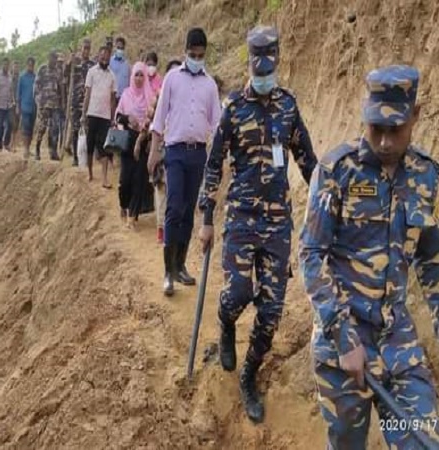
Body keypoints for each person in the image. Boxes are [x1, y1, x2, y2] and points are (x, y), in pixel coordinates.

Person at [300, 65, 439, 449]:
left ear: (415, 116)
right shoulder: (337, 172)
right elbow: (311, 254)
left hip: (397, 341)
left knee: (423, 442)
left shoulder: (424, 176)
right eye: (376, 128)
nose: (385, 142)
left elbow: (432, 264)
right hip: (343, 344)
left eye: (395, 129)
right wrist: (342, 336)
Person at [198, 26, 317, 423]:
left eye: (270, 68)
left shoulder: (288, 106)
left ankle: (248, 376)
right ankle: (225, 323)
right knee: (237, 292)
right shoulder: (233, 107)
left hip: (279, 222)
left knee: (271, 314)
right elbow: (213, 164)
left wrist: (325, 201)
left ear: (276, 63)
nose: (265, 75)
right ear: (250, 64)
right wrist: (206, 218)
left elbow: (307, 160)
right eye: (258, 68)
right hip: (242, 218)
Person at [148, 28, 221, 297]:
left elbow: (218, 125)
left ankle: (180, 265)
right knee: (174, 207)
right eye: (192, 55)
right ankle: (167, 272)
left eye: (201, 55)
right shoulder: (171, 79)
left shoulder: (210, 86)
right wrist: (154, 151)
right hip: (175, 151)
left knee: (189, 210)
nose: (196, 59)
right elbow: (158, 118)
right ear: (185, 51)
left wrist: (220, 156)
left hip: (198, 154)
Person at [116, 62, 155, 228]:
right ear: (132, 76)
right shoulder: (126, 94)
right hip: (128, 141)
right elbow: (117, 116)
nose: (139, 78)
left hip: (144, 139)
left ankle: (132, 215)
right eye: (136, 75)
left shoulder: (150, 96)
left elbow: (155, 119)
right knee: (126, 180)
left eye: (142, 75)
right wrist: (127, 119)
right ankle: (123, 205)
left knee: (139, 179)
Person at [150, 59, 182, 244]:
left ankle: (173, 228)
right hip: (162, 150)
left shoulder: (187, 99)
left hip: (179, 151)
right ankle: (161, 228)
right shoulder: (159, 97)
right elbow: (151, 123)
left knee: (175, 193)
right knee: (161, 190)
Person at [82, 45, 117, 186]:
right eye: (102, 56)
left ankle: (104, 178)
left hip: (105, 116)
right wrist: (83, 114)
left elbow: (113, 99)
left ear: (109, 59)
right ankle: (90, 172)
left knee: (104, 146)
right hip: (92, 113)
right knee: (90, 145)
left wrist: (113, 118)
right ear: (98, 56)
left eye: (107, 57)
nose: (104, 58)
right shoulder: (91, 72)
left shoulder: (112, 76)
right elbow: (87, 95)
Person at [66, 39, 96, 167]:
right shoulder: (75, 63)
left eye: (88, 48)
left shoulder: (93, 65)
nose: (86, 51)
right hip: (75, 101)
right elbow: (65, 75)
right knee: (75, 129)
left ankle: (86, 157)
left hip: (88, 102)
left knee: (88, 130)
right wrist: (69, 63)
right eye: (84, 48)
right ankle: (75, 158)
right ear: (81, 49)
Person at [34, 51, 64, 161]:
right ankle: (37, 149)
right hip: (44, 104)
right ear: (49, 58)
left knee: (54, 129)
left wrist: (62, 102)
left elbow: (61, 88)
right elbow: (36, 86)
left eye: (56, 59)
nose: (54, 61)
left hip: (55, 104)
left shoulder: (58, 71)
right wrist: (39, 101)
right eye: (53, 58)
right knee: (42, 128)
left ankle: (53, 152)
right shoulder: (42, 69)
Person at [0, 58, 14, 151]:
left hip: (8, 104)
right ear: (2, 65)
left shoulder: (10, 76)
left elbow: (11, 90)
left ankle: (6, 143)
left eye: (7, 65)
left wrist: (13, 101)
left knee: (10, 123)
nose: (6, 66)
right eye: (4, 64)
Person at [17, 57, 37, 158]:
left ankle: (28, 148)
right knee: (25, 127)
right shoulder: (22, 77)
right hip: (24, 106)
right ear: (26, 65)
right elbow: (18, 93)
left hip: (34, 106)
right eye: (29, 65)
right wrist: (18, 106)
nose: (30, 66)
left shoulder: (36, 77)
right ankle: (25, 149)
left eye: (32, 65)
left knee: (31, 128)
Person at [110, 36, 130, 101]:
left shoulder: (127, 64)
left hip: (122, 98)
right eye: (118, 47)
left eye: (122, 48)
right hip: (111, 96)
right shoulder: (110, 62)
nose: (120, 50)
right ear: (115, 47)